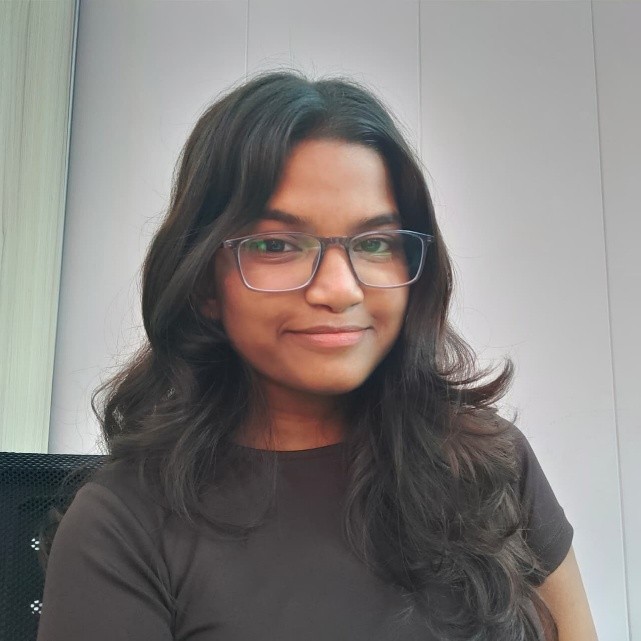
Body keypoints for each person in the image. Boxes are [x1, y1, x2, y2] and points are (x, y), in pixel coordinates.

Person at [36, 69, 597, 641]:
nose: (340, 290)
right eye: (277, 245)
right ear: (204, 280)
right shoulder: (121, 529)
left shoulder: (486, 460)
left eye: (374, 243)